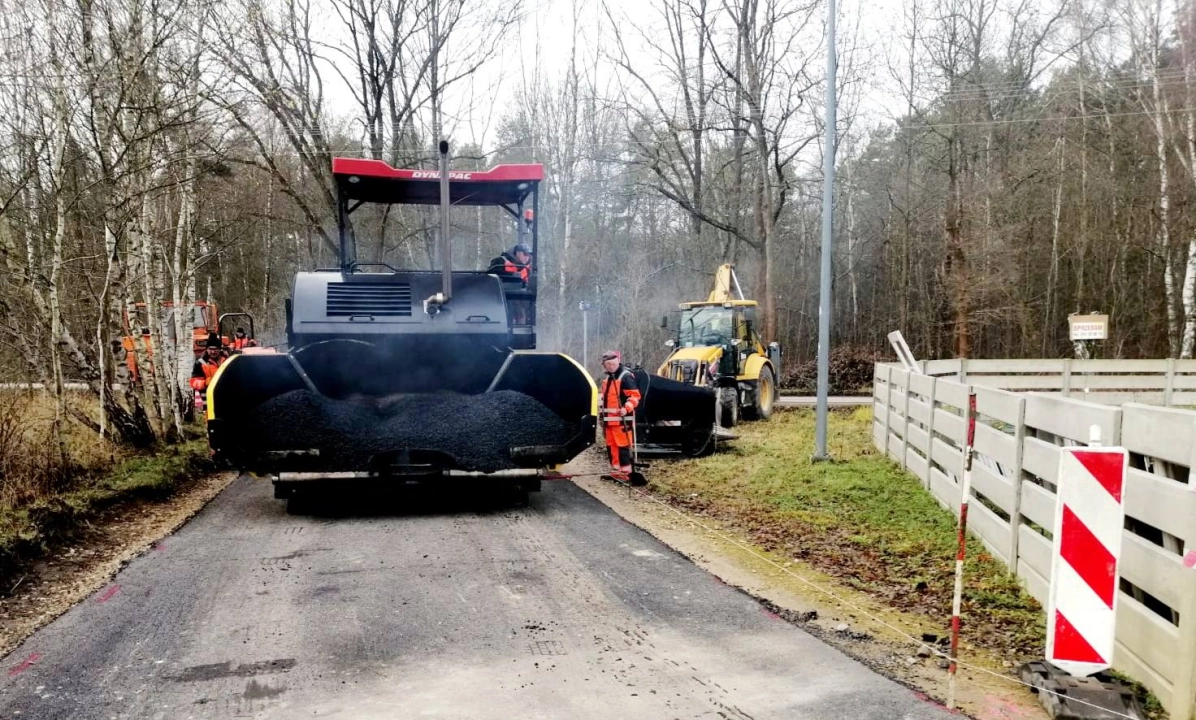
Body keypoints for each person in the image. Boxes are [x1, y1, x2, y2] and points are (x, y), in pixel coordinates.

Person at [598, 350, 641, 476]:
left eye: (607, 365)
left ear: (612, 364)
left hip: (622, 421)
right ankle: (616, 470)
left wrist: (626, 408)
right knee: (612, 446)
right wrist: (602, 417)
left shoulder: (626, 376)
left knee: (622, 446)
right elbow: (605, 400)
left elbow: (635, 397)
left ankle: (626, 472)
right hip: (609, 421)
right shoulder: (608, 378)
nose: (606, 368)